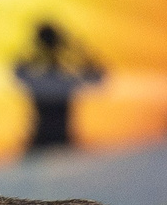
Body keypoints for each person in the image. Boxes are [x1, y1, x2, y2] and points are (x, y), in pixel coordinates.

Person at [13, 20, 104, 155]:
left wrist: (31, 50)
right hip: (59, 141)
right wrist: (78, 50)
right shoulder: (66, 81)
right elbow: (97, 78)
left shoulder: (41, 81)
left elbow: (18, 72)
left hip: (43, 141)